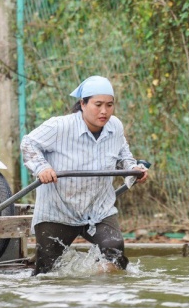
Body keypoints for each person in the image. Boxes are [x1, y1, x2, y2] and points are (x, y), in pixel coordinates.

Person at [20, 76, 149, 275]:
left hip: (98, 209)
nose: (104, 111)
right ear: (82, 104)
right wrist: (42, 168)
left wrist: (135, 170)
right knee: (45, 273)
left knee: (115, 253)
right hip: (58, 209)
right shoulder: (60, 126)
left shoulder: (115, 127)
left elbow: (124, 156)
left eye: (109, 105)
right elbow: (28, 144)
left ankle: (96, 293)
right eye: (98, 105)